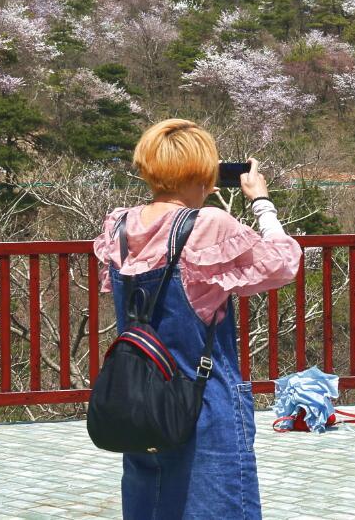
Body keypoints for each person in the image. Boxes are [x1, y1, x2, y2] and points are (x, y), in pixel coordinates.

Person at [93, 119, 300, 520]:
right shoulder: (206, 224)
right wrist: (261, 201)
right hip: (203, 402)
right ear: (202, 170)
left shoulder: (120, 225)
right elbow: (283, 263)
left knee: (152, 507)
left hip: (139, 400)